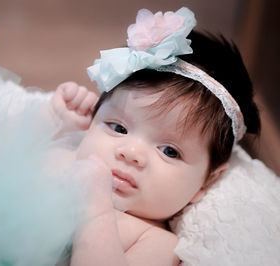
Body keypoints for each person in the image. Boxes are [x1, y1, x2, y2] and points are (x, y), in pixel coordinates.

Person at [51, 7, 260, 265]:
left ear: (206, 183)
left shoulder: (155, 243)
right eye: (118, 128)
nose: (131, 153)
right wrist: (55, 123)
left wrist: (96, 209)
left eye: (169, 151)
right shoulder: (63, 157)